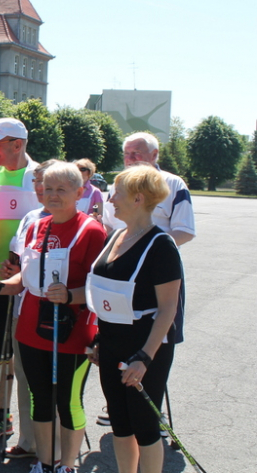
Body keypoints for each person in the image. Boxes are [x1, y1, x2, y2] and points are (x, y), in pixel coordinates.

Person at [0, 161, 106, 473]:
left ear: (79, 192)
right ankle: (45, 462)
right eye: (47, 188)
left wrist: (69, 296)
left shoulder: (91, 230)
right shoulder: (37, 225)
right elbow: (24, 279)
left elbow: (98, 289)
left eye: (61, 189)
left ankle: (66, 465)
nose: (51, 194)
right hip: (31, 328)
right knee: (39, 398)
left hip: (72, 332)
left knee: (68, 401)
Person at [87, 165, 181, 473]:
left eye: (117, 192)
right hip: (112, 343)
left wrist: (144, 358)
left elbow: (168, 309)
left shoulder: (161, 245)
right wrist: (101, 339)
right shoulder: (115, 236)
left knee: (144, 426)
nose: (110, 198)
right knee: (119, 422)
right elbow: (107, 295)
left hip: (144, 350)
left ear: (138, 198)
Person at [96, 131, 195, 426]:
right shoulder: (118, 186)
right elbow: (109, 229)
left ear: (155, 155)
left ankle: (154, 410)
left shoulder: (173, 184)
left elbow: (185, 230)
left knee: (155, 341)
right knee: (118, 337)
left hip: (157, 277)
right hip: (120, 278)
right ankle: (118, 404)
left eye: (137, 153)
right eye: (127, 154)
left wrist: (146, 254)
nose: (130, 159)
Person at [0, 118, 40, 442]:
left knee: (28, 359)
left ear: (17, 144)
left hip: (33, 288)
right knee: (2, 355)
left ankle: (35, 432)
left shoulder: (40, 178)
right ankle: (2, 416)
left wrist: (25, 269)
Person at [0, 159, 60, 461]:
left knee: (56, 383)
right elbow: (20, 265)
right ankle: (29, 440)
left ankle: (57, 451)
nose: (40, 188)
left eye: (47, 183)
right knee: (25, 377)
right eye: (37, 182)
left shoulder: (82, 221)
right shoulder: (29, 219)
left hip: (62, 318)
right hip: (24, 309)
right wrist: (5, 277)